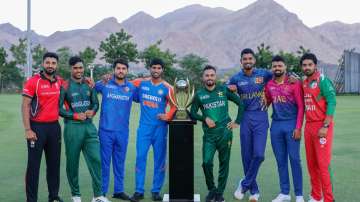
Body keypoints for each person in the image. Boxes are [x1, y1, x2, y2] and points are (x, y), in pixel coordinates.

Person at [59, 56, 110, 202]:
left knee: (96, 159)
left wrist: (92, 112)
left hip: (89, 127)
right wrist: (74, 116)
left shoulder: (89, 84)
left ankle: (98, 195)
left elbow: (95, 104)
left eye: (81, 68)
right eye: (75, 68)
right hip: (72, 128)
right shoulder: (65, 86)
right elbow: (59, 109)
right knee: (72, 163)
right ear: (71, 69)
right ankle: (76, 196)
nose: (78, 70)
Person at [190, 65, 244, 202]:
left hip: (225, 133)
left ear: (215, 76)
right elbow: (192, 112)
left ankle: (219, 193)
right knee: (206, 163)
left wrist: (237, 121)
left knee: (223, 163)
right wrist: (205, 118)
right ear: (203, 78)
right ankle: (212, 189)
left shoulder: (223, 90)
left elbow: (241, 103)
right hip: (209, 136)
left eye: (212, 75)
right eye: (207, 75)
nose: (209, 77)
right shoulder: (199, 95)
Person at [228, 48, 273, 202]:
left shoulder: (264, 74)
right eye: (244, 59)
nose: (247, 61)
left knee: (259, 155)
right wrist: (229, 89)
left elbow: (281, 77)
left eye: (250, 58)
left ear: (254, 61)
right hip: (245, 118)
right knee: (246, 156)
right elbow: (224, 90)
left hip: (261, 117)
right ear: (241, 62)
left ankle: (244, 184)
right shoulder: (235, 78)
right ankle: (254, 191)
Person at [129, 58, 176, 202]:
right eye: (154, 67)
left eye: (159, 68)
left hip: (160, 129)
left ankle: (156, 191)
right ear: (150, 68)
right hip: (144, 128)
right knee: (140, 158)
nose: (156, 70)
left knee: (160, 160)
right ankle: (139, 191)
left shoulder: (168, 88)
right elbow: (123, 84)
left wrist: (167, 115)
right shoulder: (141, 83)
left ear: (162, 70)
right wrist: (106, 80)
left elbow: (175, 106)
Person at [21, 52, 64, 202]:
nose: (50, 65)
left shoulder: (60, 81)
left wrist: (87, 80)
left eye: (53, 63)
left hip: (54, 128)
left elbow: (74, 83)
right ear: (43, 64)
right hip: (37, 128)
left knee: (54, 165)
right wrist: (28, 129)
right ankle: (31, 199)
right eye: (48, 62)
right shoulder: (34, 81)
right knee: (33, 166)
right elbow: (25, 105)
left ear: (56, 65)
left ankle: (53, 196)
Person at [94, 58, 137, 200]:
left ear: (127, 71)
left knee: (119, 162)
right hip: (105, 131)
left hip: (122, 132)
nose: (121, 71)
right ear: (114, 70)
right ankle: (102, 192)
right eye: (118, 68)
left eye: (123, 69)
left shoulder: (131, 88)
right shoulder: (105, 84)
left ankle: (119, 191)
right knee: (104, 163)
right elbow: (90, 88)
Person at [264, 56, 305, 202]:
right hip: (276, 126)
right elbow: (267, 102)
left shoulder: (294, 83)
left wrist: (298, 127)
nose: (277, 68)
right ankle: (285, 193)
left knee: (294, 159)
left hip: (292, 124)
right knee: (280, 160)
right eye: (274, 66)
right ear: (272, 68)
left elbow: (301, 107)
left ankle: (299, 195)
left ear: (285, 67)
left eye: (280, 66)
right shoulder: (269, 85)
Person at [301, 53, 336, 202]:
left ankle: (329, 198)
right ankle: (316, 196)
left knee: (322, 165)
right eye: (304, 65)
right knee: (311, 164)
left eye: (310, 64)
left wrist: (326, 125)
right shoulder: (304, 82)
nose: (307, 67)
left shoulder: (322, 80)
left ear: (315, 65)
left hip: (322, 126)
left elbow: (332, 102)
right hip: (308, 127)